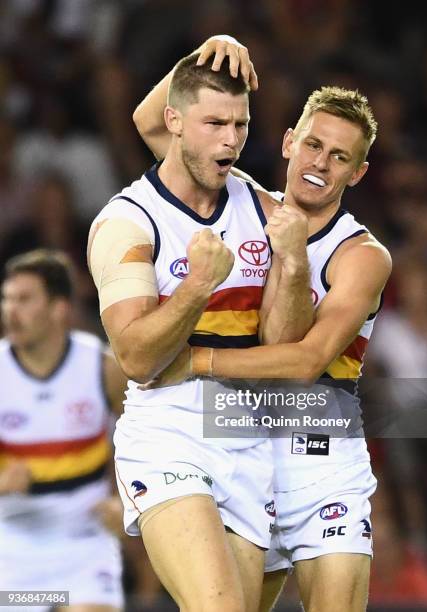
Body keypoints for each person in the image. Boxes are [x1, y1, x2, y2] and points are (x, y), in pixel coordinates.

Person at [134, 36, 392, 612]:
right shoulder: (248, 202)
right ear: (287, 143)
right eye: (313, 145)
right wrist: (206, 54)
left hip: (320, 452)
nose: (320, 164)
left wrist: (197, 362)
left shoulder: (362, 255)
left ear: (358, 173)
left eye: (340, 157)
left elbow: (303, 362)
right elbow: (155, 122)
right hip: (243, 444)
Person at [87, 38, 312, 612]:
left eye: (240, 124)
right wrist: (195, 287)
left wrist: (293, 265)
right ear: (174, 125)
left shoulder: (263, 209)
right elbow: (137, 358)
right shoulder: (128, 222)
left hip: (250, 428)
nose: (231, 139)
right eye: (214, 123)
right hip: (169, 427)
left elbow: (283, 349)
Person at [0, 249, 126, 612]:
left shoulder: (103, 369)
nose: (10, 311)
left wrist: (128, 501)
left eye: (23, 300)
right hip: (14, 551)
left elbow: (141, 440)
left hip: (85, 544)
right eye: (6, 299)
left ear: (59, 308)